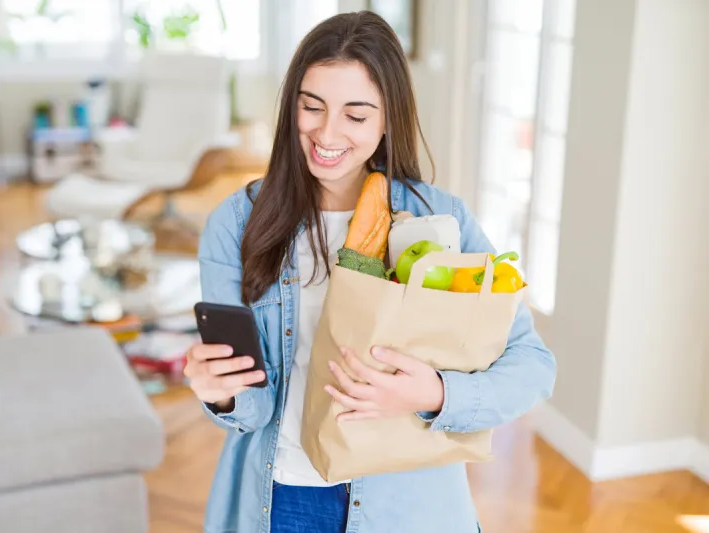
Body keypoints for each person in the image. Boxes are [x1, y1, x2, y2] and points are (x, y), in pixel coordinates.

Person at [183, 11, 556, 533]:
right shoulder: (238, 222)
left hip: (408, 505)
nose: (326, 133)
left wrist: (433, 394)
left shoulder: (438, 221)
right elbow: (252, 409)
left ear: (388, 120)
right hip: (285, 498)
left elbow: (533, 366)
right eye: (311, 107)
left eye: (355, 116)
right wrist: (218, 389)